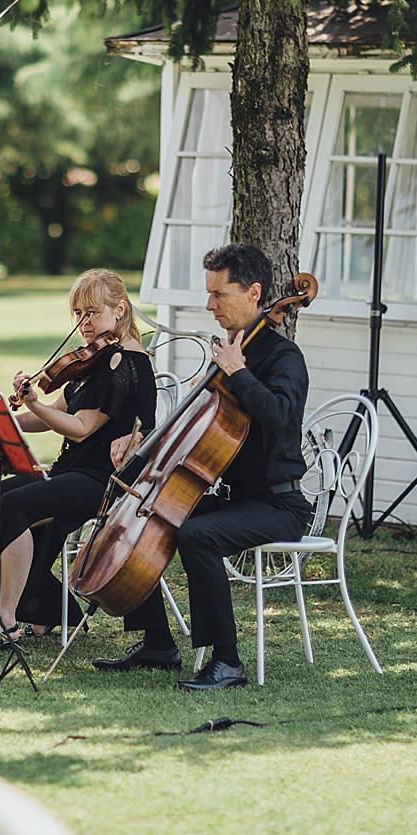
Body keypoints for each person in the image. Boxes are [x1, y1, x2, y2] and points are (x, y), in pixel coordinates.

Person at [91, 243, 311, 691]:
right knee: (151, 509)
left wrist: (238, 373)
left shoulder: (283, 358)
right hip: (238, 498)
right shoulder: (231, 349)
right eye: (208, 294)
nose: (210, 305)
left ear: (254, 292)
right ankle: (157, 643)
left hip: (279, 505)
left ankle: (227, 662)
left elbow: (280, 416)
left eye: (219, 294)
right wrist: (142, 443)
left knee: (197, 534)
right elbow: (195, 426)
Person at [0, 269, 155, 651]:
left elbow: (79, 427)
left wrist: (35, 404)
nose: (83, 323)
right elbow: (55, 412)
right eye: (78, 314)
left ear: (119, 309)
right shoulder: (95, 360)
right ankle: (38, 610)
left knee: (13, 505)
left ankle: (5, 621)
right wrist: (0, 420)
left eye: (92, 312)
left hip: (104, 482)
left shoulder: (125, 363)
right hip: (72, 472)